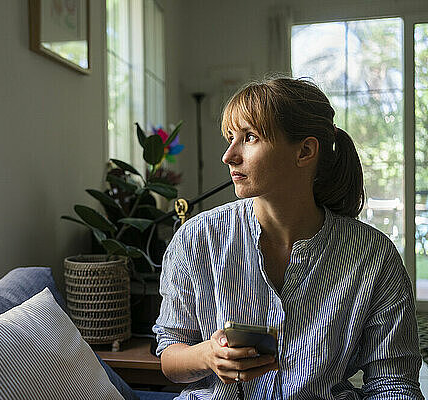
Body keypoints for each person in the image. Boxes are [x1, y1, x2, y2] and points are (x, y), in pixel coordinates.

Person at [153, 77, 423, 399]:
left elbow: (394, 384)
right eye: (230, 138)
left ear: (305, 151)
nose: (228, 156)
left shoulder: (374, 256)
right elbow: (170, 357)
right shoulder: (196, 239)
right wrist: (207, 355)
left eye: (249, 137)